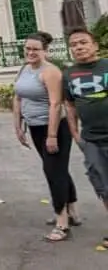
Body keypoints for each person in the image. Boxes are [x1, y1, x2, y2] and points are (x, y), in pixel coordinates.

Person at [13, 31, 79, 242]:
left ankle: (62, 223)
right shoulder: (24, 68)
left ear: (45, 51)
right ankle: (72, 210)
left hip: (55, 128)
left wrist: (52, 136)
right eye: (28, 48)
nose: (31, 52)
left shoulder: (51, 72)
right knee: (57, 169)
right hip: (35, 127)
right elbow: (18, 98)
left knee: (53, 171)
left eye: (35, 49)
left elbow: (55, 104)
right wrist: (18, 126)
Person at [62, 27, 108, 250]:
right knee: (103, 186)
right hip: (91, 140)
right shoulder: (69, 74)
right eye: (74, 45)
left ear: (94, 45)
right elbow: (70, 105)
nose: (78, 47)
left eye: (83, 43)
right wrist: (76, 134)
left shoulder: (106, 66)